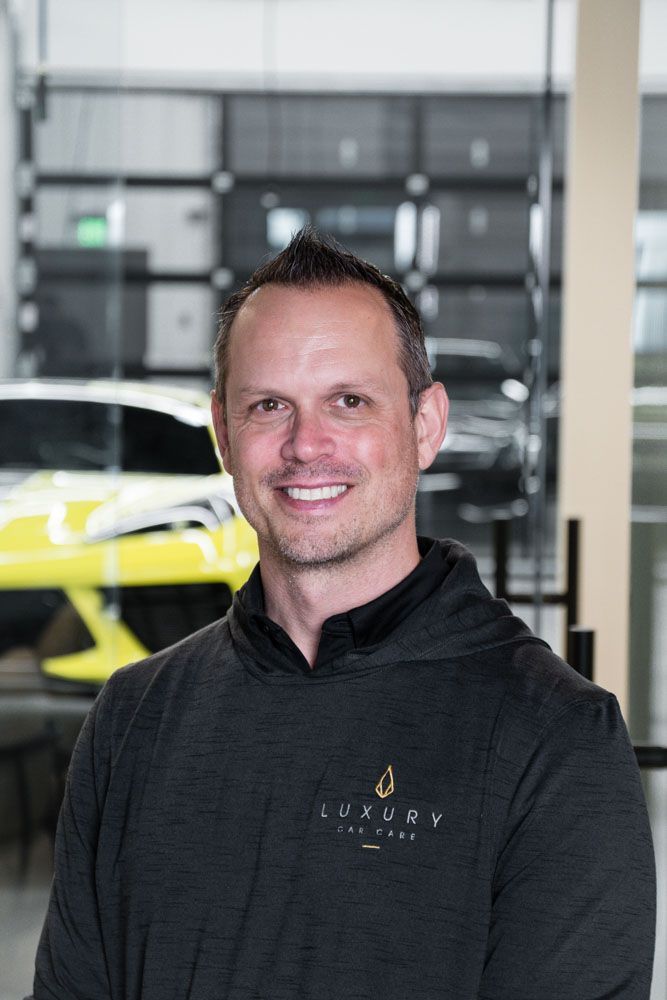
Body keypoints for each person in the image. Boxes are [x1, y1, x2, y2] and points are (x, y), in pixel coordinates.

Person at [31, 228, 656, 999]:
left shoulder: (555, 737)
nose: (306, 445)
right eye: (268, 406)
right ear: (224, 434)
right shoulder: (134, 715)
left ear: (425, 425)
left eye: (348, 401)